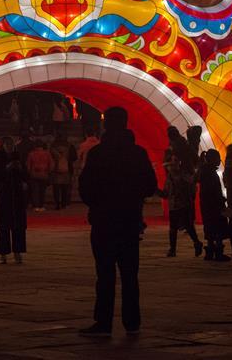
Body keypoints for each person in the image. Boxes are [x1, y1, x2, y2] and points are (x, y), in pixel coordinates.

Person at [78, 107, 157, 337]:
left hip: (104, 221)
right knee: (130, 274)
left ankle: (103, 322)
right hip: (130, 220)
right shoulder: (138, 153)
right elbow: (150, 185)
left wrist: (98, 204)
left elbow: (86, 187)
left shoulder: (98, 154)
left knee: (105, 274)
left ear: (106, 124)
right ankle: (132, 322)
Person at [156, 148, 200, 257]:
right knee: (173, 228)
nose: (172, 166)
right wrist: (156, 190)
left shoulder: (183, 175)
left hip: (183, 205)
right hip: (173, 206)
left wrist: (198, 170)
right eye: (170, 164)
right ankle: (173, 249)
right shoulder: (169, 178)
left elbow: (192, 181)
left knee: (188, 226)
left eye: (174, 162)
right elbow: (166, 194)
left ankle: (196, 242)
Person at [0, 136, 28, 264]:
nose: (9, 147)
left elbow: (25, 174)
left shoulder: (18, 157)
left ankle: (18, 252)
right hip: (4, 195)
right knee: (3, 226)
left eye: (11, 144)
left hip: (17, 195)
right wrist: (7, 168)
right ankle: (3, 253)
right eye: (7, 144)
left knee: (18, 226)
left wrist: (22, 175)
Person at [199, 149, 231, 261]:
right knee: (218, 228)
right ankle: (218, 252)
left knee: (209, 228)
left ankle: (210, 252)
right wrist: (221, 200)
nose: (219, 160)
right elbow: (214, 190)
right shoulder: (210, 173)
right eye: (217, 158)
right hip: (214, 205)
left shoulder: (204, 172)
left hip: (206, 204)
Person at [50, 132, 75, 209]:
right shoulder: (70, 146)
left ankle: (57, 204)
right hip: (67, 169)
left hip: (56, 170)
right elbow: (74, 157)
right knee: (65, 188)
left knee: (56, 188)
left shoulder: (53, 146)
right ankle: (64, 204)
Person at [74, 128, 100, 201]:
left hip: (86, 165)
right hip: (98, 166)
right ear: (95, 134)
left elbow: (78, 156)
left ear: (86, 135)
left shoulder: (83, 145)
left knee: (88, 183)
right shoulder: (99, 143)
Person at [27, 140, 52, 211]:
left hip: (34, 175)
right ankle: (42, 205)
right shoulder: (47, 154)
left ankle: (36, 206)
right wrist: (47, 172)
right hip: (44, 174)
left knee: (35, 191)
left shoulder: (31, 154)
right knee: (42, 191)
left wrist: (30, 172)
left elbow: (28, 166)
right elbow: (51, 165)